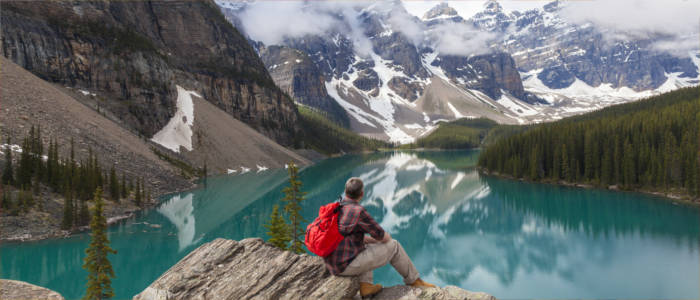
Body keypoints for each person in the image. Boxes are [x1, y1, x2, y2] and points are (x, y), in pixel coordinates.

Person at [324, 177, 436, 297]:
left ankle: (366, 286)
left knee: (365, 244)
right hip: (345, 266)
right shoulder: (357, 211)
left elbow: (350, 237)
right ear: (361, 194)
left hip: (332, 262)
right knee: (395, 246)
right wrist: (385, 239)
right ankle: (414, 281)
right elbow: (383, 237)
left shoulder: (338, 207)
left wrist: (372, 241)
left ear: (346, 192)